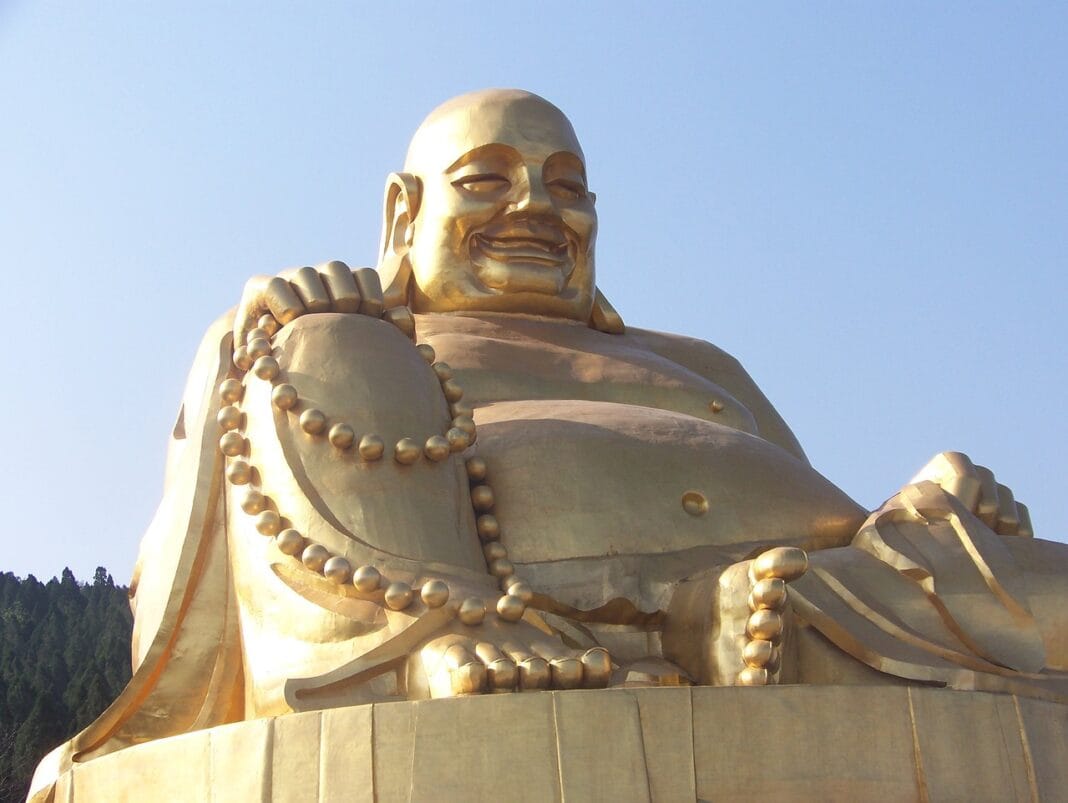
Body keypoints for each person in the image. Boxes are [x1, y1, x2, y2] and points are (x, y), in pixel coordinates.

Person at [30, 89, 1068, 796]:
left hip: (811, 599)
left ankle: (729, 624)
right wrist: (265, 329)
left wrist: (917, 512)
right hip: (508, 614)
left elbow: (830, 508)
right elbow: (179, 578)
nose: (537, 205)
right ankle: (419, 644)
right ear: (402, 212)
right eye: (488, 179)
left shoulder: (699, 360)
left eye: (567, 186)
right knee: (310, 343)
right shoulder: (380, 335)